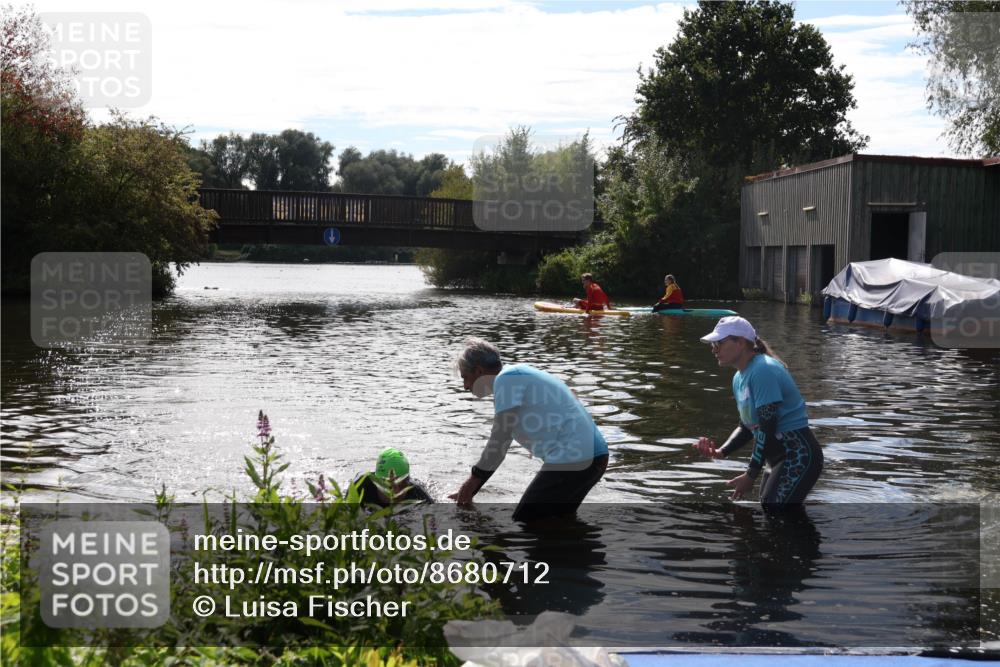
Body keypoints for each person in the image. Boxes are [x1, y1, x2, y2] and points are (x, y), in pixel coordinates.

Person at [450, 338, 609, 523]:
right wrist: (472, 488)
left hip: (574, 459)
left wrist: (469, 487)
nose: (465, 387)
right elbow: (500, 446)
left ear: (478, 371)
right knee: (557, 522)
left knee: (526, 522)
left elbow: (499, 441)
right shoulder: (518, 375)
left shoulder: (506, 379)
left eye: (465, 378)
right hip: (594, 457)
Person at [692, 316, 823, 505]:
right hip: (776, 458)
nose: (714, 350)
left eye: (719, 343)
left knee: (776, 512)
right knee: (772, 512)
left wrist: (750, 474)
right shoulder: (739, 378)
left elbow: (767, 427)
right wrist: (721, 452)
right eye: (712, 345)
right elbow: (747, 426)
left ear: (741, 343)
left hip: (798, 455)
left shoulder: (763, 370)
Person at [353, 448, 433, 507]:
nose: (397, 492)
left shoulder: (417, 493)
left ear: (408, 481)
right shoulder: (360, 488)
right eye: (390, 486)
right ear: (377, 482)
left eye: (403, 485)